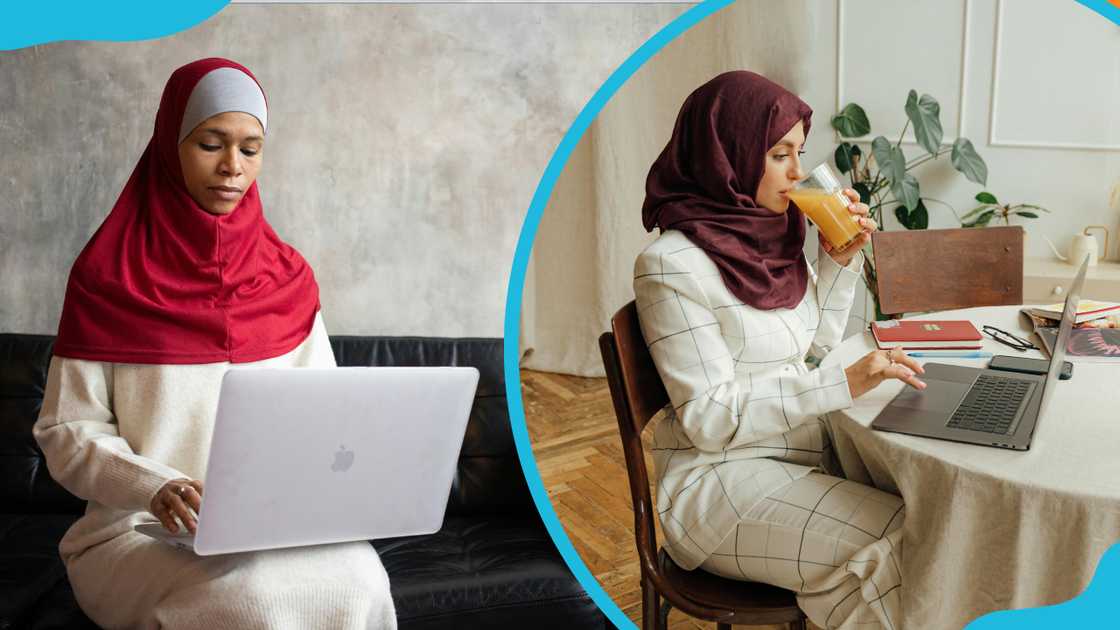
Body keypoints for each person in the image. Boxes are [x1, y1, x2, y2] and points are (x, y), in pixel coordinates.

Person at [33, 58, 396, 630]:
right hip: (134, 532)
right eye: (210, 143)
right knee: (250, 599)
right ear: (170, 143)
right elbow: (66, 433)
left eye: (250, 149)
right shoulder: (106, 277)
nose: (232, 167)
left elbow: (327, 418)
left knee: (361, 577)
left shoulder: (287, 278)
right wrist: (155, 486)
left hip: (274, 526)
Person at [634, 70, 927, 630]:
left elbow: (810, 355)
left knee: (931, 515)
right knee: (904, 541)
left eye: (800, 152)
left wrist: (838, 263)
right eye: (778, 154)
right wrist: (841, 384)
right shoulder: (672, 266)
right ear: (729, 154)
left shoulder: (773, 237)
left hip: (800, 457)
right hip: (717, 483)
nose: (798, 173)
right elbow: (709, 420)